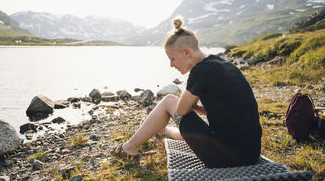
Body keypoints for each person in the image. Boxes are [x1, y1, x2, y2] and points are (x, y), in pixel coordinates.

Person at [112, 18, 262, 168]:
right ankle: (164, 130)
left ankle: (129, 147)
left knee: (169, 100)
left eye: (172, 59)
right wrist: (195, 106)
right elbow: (224, 110)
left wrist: (189, 104)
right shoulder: (225, 65)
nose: (171, 65)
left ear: (186, 52)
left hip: (224, 157)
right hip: (250, 153)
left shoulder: (200, 71)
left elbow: (181, 110)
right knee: (200, 123)